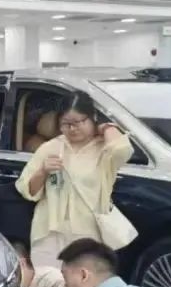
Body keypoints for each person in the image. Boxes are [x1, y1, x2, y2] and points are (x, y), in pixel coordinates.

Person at [15, 92, 133, 269]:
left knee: (86, 281)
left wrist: (107, 127)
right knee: (49, 280)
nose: (72, 129)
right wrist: (43, 171)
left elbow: (122, 151)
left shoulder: (103, 148)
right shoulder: (50, 147)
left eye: (78, 122)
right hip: (49, 233)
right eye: (66, 124)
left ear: (92, 118)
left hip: (90, 234)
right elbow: (26, 190)